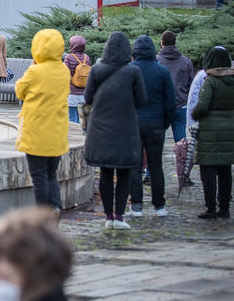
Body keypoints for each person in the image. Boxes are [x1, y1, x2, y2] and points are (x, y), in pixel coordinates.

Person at [84, 32, 147, 230]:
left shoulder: (96, 70)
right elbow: (142, 100)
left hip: (100, 127)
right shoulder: (133, 72)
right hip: (125, 128)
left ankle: (108, 217)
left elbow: (88, 98)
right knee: (124, 173)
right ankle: (119, 217)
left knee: (105, 171)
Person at [15, 29, 70, 211]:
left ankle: (43, 214)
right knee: (51, 174)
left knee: (38, 177)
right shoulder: (64, 71)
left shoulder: (35, 71)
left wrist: (35, 65)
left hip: (36, 132)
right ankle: (55, 207)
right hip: (57, 132)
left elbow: (19, 91)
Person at [128, 36, 176, 218]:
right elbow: (170, 101)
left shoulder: (130, 70)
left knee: (135, 166)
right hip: (156, 124)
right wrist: (165, 122)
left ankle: (137, 205)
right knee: (156, 166)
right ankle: (159, 205)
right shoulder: (162, 71)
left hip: (134, 124)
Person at [191, 46, 234, 219]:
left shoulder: (210, 81)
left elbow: (202, 106)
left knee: (208, 171)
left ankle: (210, 208)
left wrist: (194, 115)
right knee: (225, 170)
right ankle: (224, 208)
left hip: (209, 132)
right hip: (230, 131)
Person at [157, 30, 195, 143]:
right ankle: (181, 160)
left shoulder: (156, 61)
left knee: (157, 142)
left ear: (162, 42)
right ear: (175, 42)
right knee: (181, 141)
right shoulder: (186, 62)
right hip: (181, 105)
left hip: (161, 106)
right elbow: (191, 86)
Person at [64, 36, 92, 124]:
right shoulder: (86, 58)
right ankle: (84, 137)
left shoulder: (69, 58)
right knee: (84, 121)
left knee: (72, 120)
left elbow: (65, 74)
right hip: (84, 94)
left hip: (72, 94)